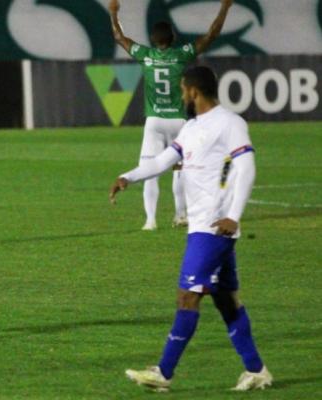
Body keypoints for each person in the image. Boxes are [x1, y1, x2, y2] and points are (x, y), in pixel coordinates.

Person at [110, 66, 271, 392]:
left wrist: (234, 215)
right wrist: (128, 176)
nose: (182, 96)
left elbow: (246, 168)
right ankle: (256, 370)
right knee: (227, 302)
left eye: (184, 90)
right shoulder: (193, 128)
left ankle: (163, 373)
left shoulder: (230, 123)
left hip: (213, 228)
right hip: (202, 226)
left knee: (188, 296)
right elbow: (161, 162)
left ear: (194, 92)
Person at [108, 0, 233, 230]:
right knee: (181, 169)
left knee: (149, 168)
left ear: (153, 39)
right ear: (172, 38)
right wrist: (225, 8)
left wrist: (113, 13)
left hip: (154, 121)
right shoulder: (181, 55)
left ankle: (150, 221)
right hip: (178, 120)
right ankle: (180, 215)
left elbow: (118, 37)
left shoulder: (145, 55)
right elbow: (211, 35)